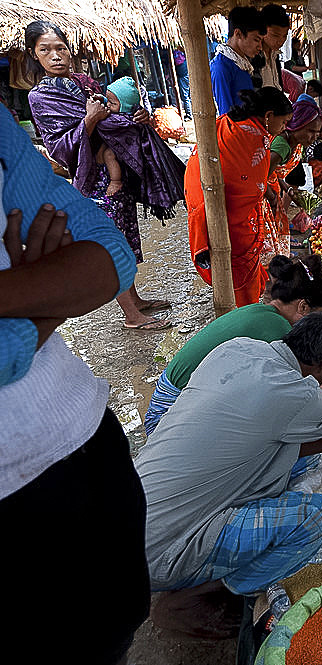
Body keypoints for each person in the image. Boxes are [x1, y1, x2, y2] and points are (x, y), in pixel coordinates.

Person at [0, 101, 148, 665]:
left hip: (89, 449)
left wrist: (15, 311)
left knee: (114, 632)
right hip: (14, 510)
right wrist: (41, 299)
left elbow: (109, 254)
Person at [135, 312, 322, 595]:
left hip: (125, 514)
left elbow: (266, 441)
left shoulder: (233, 349)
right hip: (160, 557)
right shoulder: (301, 394)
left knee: (290, 460)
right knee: (315, 517)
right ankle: (208, 594)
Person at [26, 21, 185, 331]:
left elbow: (115, 116)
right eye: (45, 50)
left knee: (123, 238)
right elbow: (58, 147)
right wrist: (89, 121)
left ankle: (135, 301)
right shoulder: (40, 97)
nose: (55, 56)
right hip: (93, 181)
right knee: (110, 245)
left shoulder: (86, 83)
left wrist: (134, 116)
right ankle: (132, 317)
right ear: (35, 55)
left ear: (70, 51)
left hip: (115, 175)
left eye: (61, 48)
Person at [144, 254, 322, 435]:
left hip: (168, 397)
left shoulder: (260, 311)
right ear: (303, 306)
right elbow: (288, 396)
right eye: (321, 315)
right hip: (169, 414)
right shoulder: (277, 333)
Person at [186, 87, 293, 307]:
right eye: (283, 122)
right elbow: (252, 185)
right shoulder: (253, 139)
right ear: (268, 116)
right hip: (226, 213)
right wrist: (267, 192)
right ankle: (244, 314)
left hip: (208, 202)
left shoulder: (231, 123)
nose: (284, 128)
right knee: (240, 275)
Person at [263, 99, 322, 259]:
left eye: (317, 133)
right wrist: (273, 198)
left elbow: (274, 173)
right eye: (310, 131)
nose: (314, 137)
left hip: (270, 189)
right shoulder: (282, 145)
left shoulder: (295, 142)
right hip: (262, 193)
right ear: (297, 124)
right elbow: (261, 176)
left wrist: (287, 189)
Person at [210, 6, 265, 116]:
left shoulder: (242, 64)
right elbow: (226, 117)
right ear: (238, 34)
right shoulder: (221, 67)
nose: (260, 47)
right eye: (256, 40)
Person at [253, 4, 290, 91]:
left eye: (284, 36)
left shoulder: (275, 55)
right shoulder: (253, 56)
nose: (281, 41)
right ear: (262, 29)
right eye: (275, 35)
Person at [173, 48, 193, 120]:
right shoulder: (180, 53)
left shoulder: (175, 55)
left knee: (185, 97)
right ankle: (191, 112)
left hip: (183, 76)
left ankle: (189, 114)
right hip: (187, 74)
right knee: (188, 96)